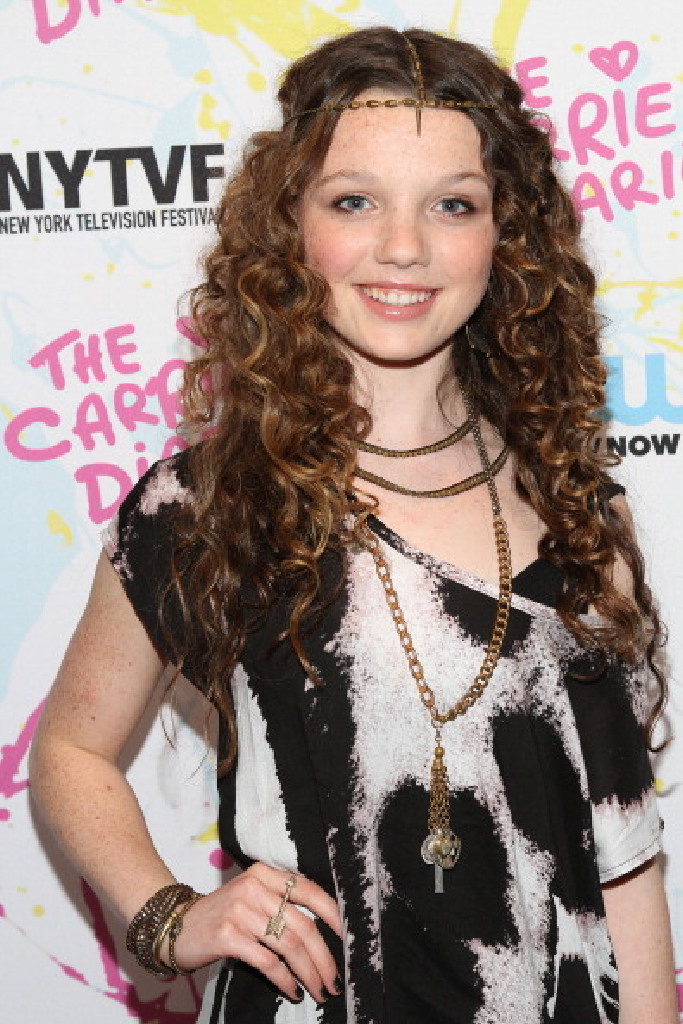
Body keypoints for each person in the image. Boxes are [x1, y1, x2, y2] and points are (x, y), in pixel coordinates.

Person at [29, 25, 677, 1024]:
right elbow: (70, 750)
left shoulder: (580, 513)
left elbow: (621, 859)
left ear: (504, 235)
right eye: (353, 201)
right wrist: (169, 916)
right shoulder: (208, 509)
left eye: (451, 205)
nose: (403, 247)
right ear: (290, 223)